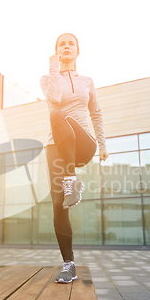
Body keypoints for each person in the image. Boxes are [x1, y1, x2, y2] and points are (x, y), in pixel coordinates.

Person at [40, 33, 109, 284]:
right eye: (61, 44)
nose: (66, 46)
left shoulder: (87, 82)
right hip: (55, 147)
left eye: (71, 44)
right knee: (59, 204)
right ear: (56, 51)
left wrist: (102, 144)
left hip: (83, 143)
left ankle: (71, 178)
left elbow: (96, 113)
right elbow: (55, 99)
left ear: (77, 52)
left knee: (58, 116)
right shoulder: (48, 79)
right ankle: (69, 264)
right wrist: (53, 66)